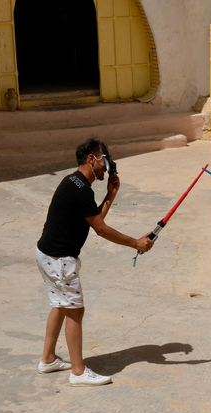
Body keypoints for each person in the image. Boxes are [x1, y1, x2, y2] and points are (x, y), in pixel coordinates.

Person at [35, 138, 154, 386]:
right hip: (60, 260)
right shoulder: (80, 190)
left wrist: (110, 195)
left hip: (48, 255)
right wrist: (136, 243)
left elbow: (93, 220)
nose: (107, 167)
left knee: (60, 305)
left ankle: (48, 359)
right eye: (105, 161)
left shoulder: (73, 182)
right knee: (75, 310)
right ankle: (78, 372)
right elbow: (100, 229)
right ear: (92, 159)